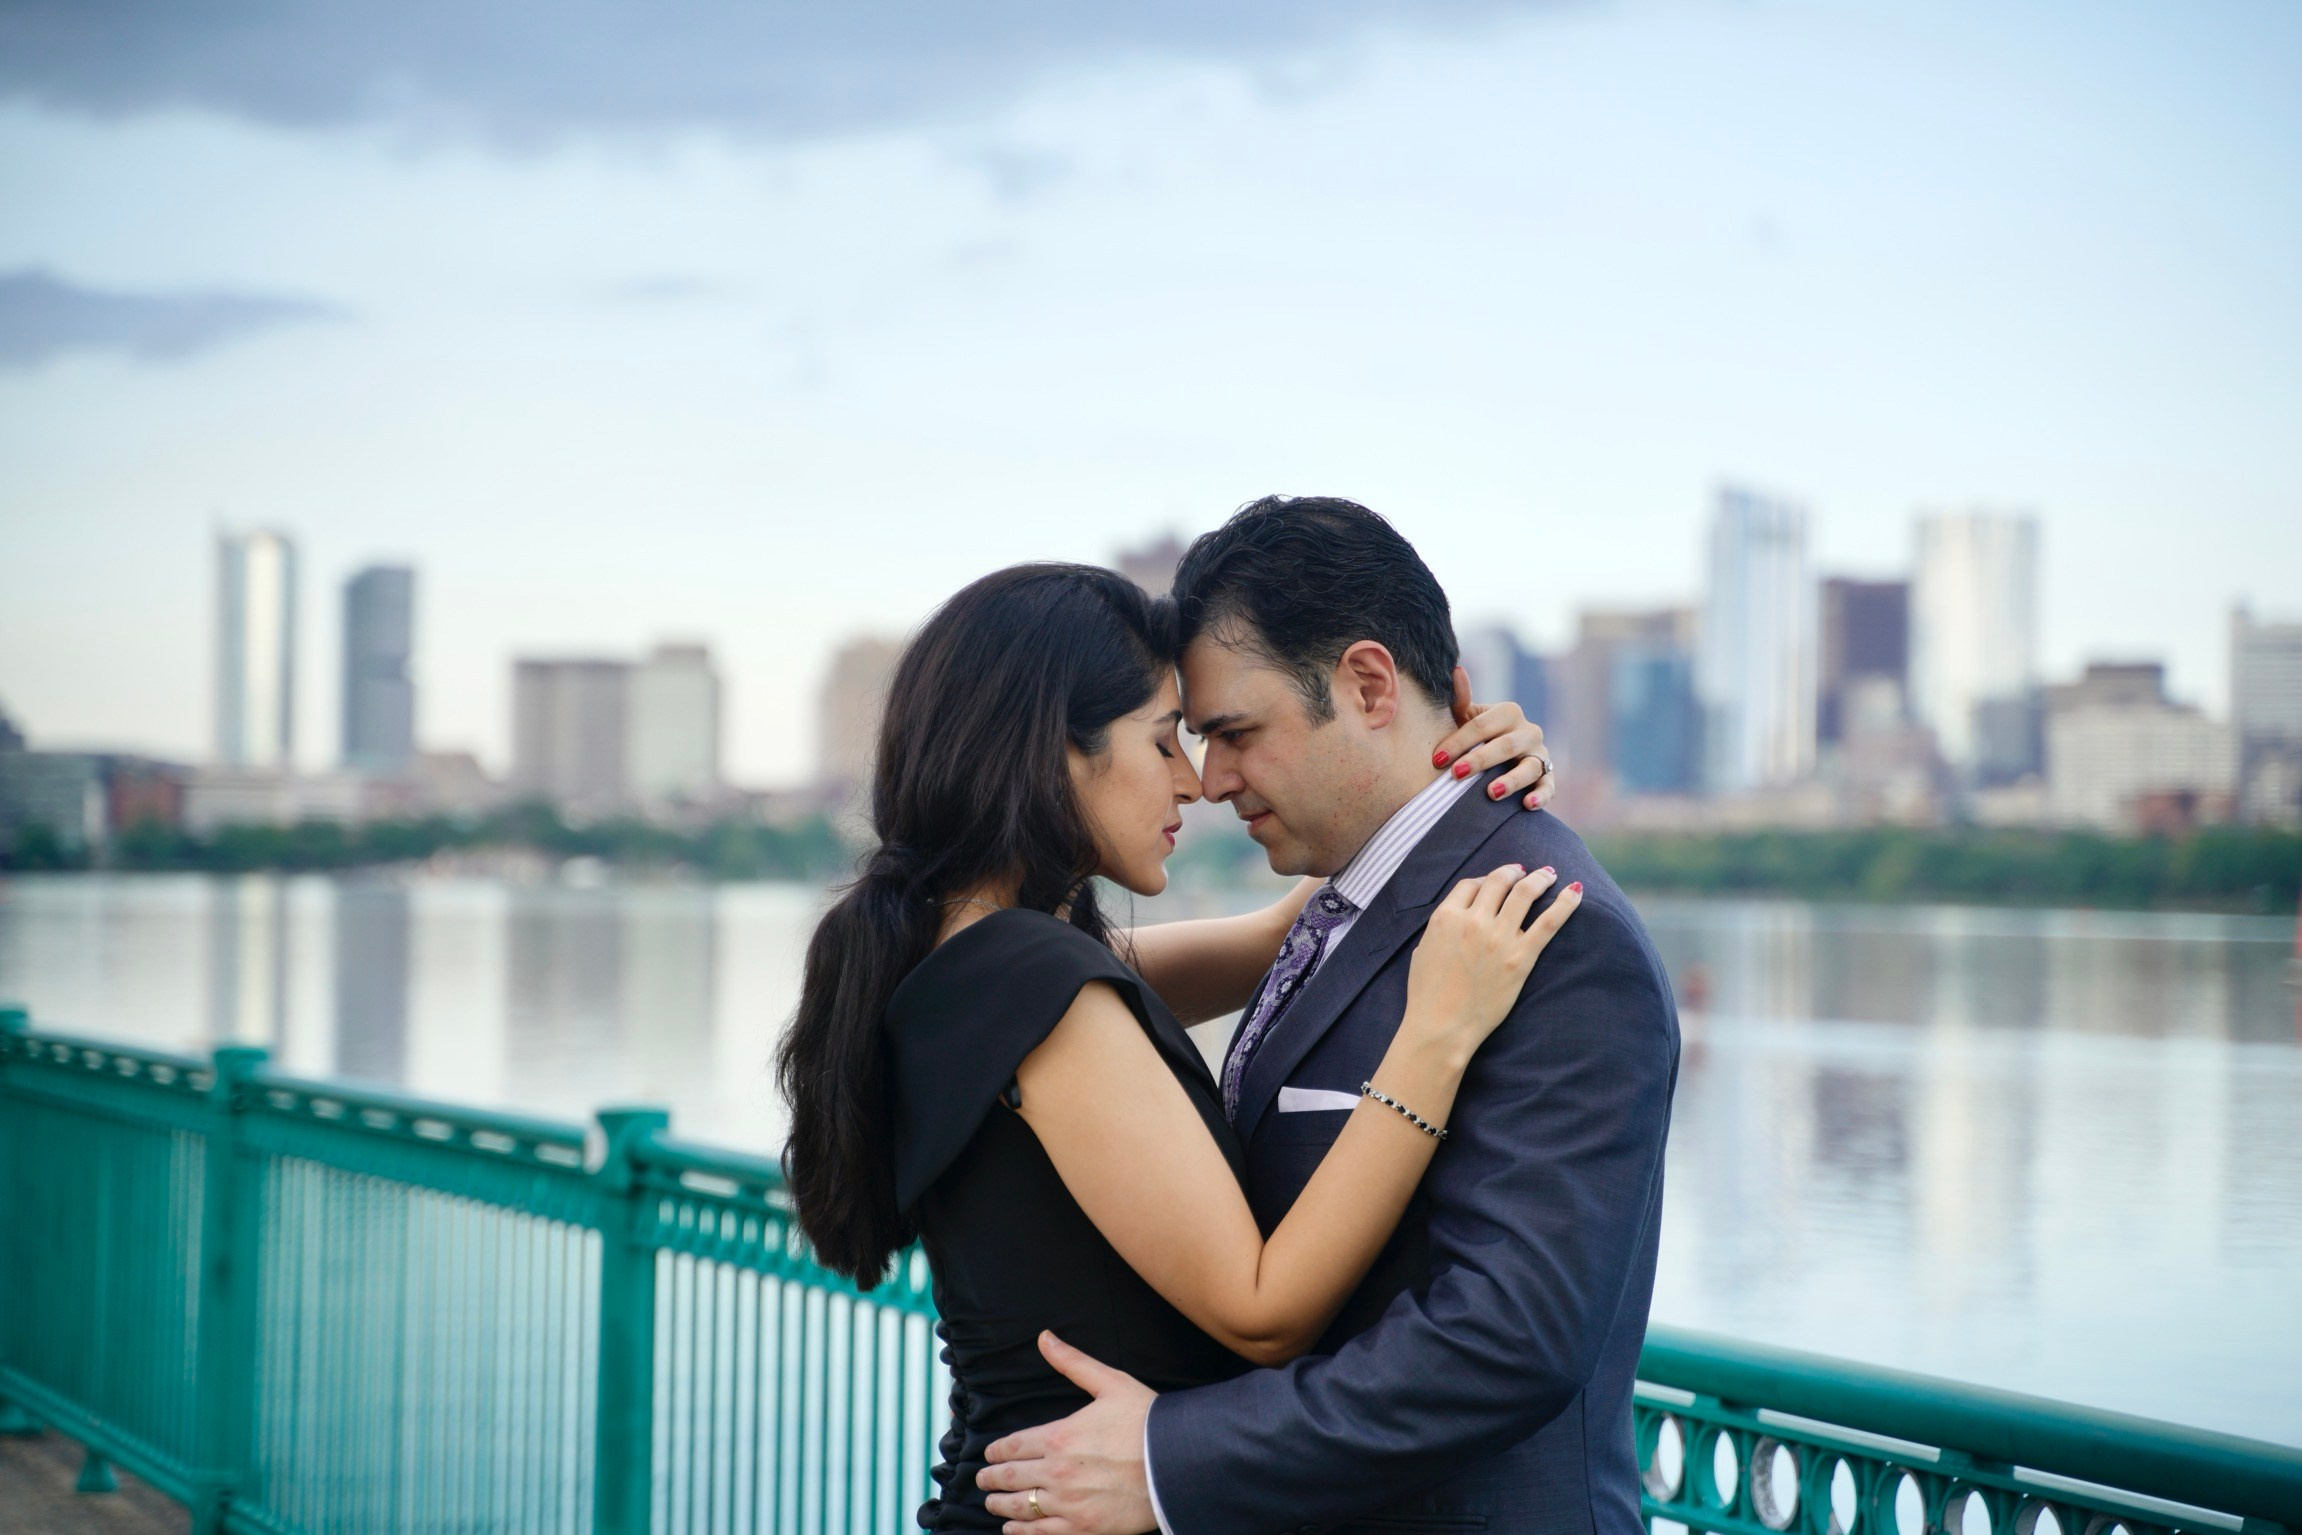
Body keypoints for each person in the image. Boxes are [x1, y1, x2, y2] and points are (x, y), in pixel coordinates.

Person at [777, 559, 1571, 1532]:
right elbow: (1263, 1309)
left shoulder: (970, 957)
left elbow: (1283, 929)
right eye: (1163, 742)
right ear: (1055, 752)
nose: (1194, 782)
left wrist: (1442, 772)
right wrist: (1436, 1038)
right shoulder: (1035, 986)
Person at [975, 498, 1681, 1535]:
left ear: (1368, 685)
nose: (1210, 781)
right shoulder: (1345, 902)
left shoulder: (1544, 929)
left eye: (1235, 733)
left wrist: (1171, 1458)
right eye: (1188, 740)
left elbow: (1507, 1338)